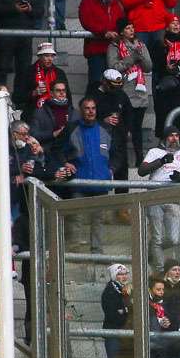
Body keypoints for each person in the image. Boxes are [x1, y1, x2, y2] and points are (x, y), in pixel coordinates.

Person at [65, 97, 124, 251]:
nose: (90, 111)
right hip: (78, 182)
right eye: (87, 108)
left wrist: (111, 169)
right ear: (81, 110)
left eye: (93, 108)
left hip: (100, 183)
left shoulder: (106, 129)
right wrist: (66, 163)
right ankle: (74, 250)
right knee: (75, 218)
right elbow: (58, 151)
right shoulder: (71, 129)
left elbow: (118, 154)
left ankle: (97, 250)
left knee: (98, 219)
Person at [137, 127, 180, 264]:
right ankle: (160, 269)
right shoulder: (154, 152)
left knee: (174, 239)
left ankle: (152, 248)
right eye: (171, 136)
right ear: (164, 138)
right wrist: (161, 161)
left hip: (174, 197)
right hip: (155, 196)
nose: (174, 139)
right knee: (158, 237)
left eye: (177, 135)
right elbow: (142, 171)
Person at [108, 17, 152, 160]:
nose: (131, 30)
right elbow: (113, 68)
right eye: (128, 28)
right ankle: (122, 159)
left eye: (132, 27)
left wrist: (141, 57)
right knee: (123, 128)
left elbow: (148, 67)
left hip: (139, 92)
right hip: (123, 92)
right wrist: (131, 58)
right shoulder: (114, 47)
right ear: (121, 31)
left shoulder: (141, 45)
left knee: (137, 128)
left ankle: (140, 158)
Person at [83, 68, 134, 186]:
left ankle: (123, 201)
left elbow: (129, 114)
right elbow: (86, 117)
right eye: (112, 86)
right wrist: (102, 120)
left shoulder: (121, 94)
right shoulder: (93, 96)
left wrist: (128, 130)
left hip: (119, 139)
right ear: (104, 82)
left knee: (121, 173)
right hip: (99, 140)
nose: (115, 90)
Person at [152, 15, 180, 139]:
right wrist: (166, 68)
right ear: (167, 27)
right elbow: (155, 66)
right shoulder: (160, 44)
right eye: (173, 23)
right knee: (165, 122)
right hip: (166, 90)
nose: (176, 25)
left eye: (178, 23)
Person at [79, 0, 125, 84]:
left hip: (113, 48)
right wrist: (104, 32)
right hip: (96, 48)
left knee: (113, 82)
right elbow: (86, 22)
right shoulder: (87, 1)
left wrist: (118, 34)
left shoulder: (116, 3)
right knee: (96, 81)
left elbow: (122, 22)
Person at [16, 42, 70, 123]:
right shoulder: (27, 72)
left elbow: (68, 96)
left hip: (55, 114)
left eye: (52, 56)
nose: (50, 59)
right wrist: (34, 93)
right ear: (39, 57)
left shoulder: (59, 73)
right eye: (46, 56)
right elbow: (17, 97)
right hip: (33, 115)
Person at [100, 263, 130, 358]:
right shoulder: (110, 291)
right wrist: (126, 312)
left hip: (126, 333)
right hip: (113, 333)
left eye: (125, 274)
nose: (124, 277)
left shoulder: (127, 290)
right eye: (120, 274)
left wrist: (124, 311)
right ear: (114, 276)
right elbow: (113, 315)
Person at [29, 80, 72, 146]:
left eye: (64, 90)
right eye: (58, 90)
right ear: (51, 93)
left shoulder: (72, 111)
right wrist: (53, 134)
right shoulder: (40, 112)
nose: (62, 93)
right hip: (49, 151)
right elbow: (33, 134)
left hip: (69, 151)